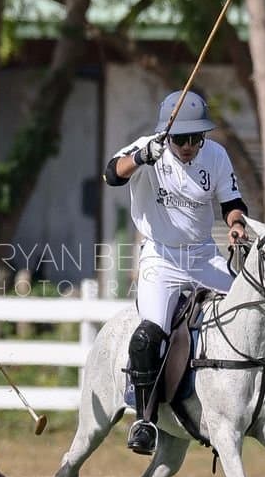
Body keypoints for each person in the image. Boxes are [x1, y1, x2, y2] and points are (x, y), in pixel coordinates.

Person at [103, 90, 249, 455]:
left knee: (249, 309)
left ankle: (241, 401)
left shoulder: (215, 156)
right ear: (167, 136)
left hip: (203, 255)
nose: (188, 146)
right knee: (148, 335)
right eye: (180, 139)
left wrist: (236, 225)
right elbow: (111, 175)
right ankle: (145, 420)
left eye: (195, 138)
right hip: (161, 259)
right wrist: (141, 158)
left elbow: (232, 203)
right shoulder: (149, 149)